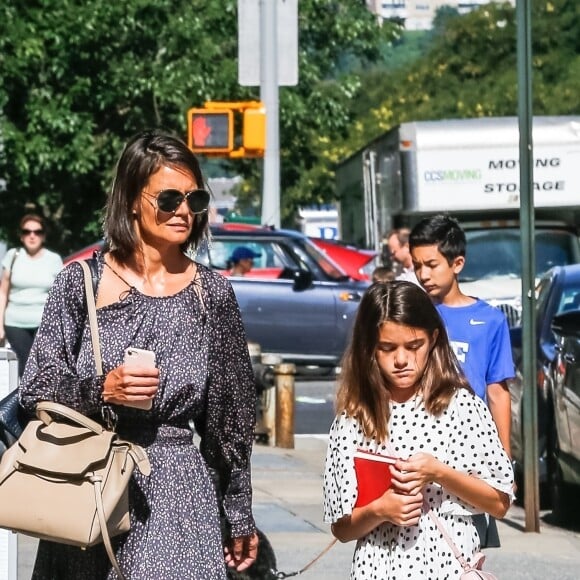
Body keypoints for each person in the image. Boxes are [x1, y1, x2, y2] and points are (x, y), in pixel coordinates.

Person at [19, 129, 259, 579]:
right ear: (132, 199)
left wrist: (239, 511)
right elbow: (37, 384)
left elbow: (231, 419)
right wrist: (102, 388)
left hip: (178, 494)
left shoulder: (213, 295)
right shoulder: (80, 284)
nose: (184, 210)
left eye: (195, 199)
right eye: (168, 198)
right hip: (87, 482)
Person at [323, 281, 514, 579]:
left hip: (446, 567)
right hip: (377, 569)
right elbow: (342, 528)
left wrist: (439, 472)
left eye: (414, 346)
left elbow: (499, 502)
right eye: (387, 348)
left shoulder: (462, 407)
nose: (401, 360)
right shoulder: (353, 420)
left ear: (433, 339)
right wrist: (379, 510)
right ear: (369, 349)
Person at [409, 213, 514, 548]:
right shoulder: (412, 314)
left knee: (465, 545)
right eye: (416, 265)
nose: (423, 274)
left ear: (457, 263)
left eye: (431, 264)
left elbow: (497, 392)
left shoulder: (490, 321)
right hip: (419, 444)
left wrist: (503, 459)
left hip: (469, 450)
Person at [0, 214, 63, 376]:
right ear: (21, 236)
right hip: (15, 321)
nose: (32, 236)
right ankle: (23, 400)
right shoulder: (13, 256)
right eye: (27, 232)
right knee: (25, 363)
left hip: (44, 322)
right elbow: (3, 292)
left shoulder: (54, 260)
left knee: (42, 364)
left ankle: (38, 400)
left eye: (37, 232)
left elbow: (61, 295)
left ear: (43, 235)